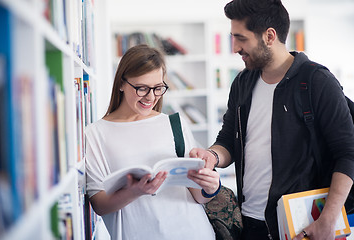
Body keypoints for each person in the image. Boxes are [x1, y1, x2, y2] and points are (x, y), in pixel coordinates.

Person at [189, 0, 354, 239]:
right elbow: (228, 139)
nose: (235, 47)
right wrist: (212, 156)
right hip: (250, 223)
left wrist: (328, 219)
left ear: (269, 36)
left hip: (303, 225)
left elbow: (348, 153)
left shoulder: (317, 81)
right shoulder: (243, 82)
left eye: (241, 38)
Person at [85, 44, 219, 240]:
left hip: (194, 232)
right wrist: (135, 191)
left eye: (158, 88)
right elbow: (100, 205)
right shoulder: (96, 133)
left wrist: (210, 187)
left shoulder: (174, 124)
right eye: (142, 88)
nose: (151, 97)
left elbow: (198, 197)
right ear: (121, 83)